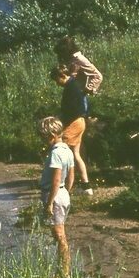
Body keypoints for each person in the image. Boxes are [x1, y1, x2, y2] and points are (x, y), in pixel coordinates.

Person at [38, 116, 75, 278]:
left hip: (55, 195)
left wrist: (50, 202)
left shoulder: (55, 153)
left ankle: (64, 273)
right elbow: (71, 176)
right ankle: (62, 269)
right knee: (59, 234)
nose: (43, 141)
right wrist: (66, 191)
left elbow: (56, 179)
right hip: (64, 194)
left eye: (44, 137)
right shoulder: (67, 150)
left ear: (51, 136)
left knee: (60, 236)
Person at [50, 65, 93, 195]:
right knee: (75, 154)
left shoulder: (70, 87)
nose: (57, 84)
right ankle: (86, 186)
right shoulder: (75, 85)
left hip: (74, 122)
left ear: (62, 76)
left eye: (57, 80)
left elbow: (71, 110)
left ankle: (64, 186)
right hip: (81, 121)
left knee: (63, 152)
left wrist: (61, 120)